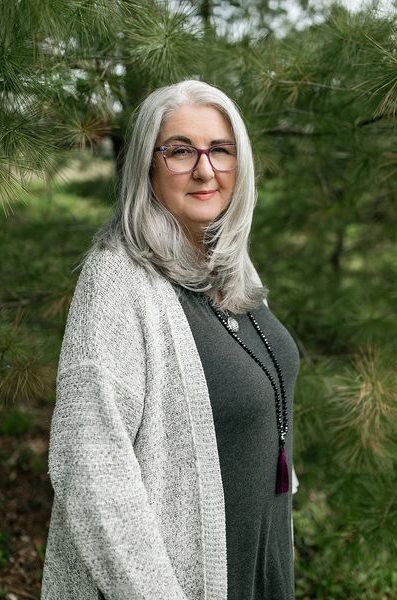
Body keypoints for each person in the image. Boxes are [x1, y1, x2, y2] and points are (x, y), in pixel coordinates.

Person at [41, 79, 300, 600]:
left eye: (220, 150)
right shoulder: (117, 279)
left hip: (261, 567)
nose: (205, 169)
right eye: (181, 151)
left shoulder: (230, 271)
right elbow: (89, 464)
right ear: (147, 164)